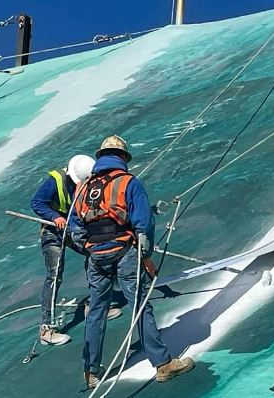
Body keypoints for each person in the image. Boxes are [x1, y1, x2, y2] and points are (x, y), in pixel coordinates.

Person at [70, 135, 195, 388]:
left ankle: (91, 372)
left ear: (101, 157)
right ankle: (163, 365)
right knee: (139, 306)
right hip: (124, 251)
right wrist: (145, 255)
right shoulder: (128, 183)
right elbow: (143, 224)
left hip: (96, 258)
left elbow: (74, 228)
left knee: (96, 311)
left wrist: (91, 248)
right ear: (123, 158)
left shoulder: (84, 188)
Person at [30, 155, 122, 346]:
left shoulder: (90, 179)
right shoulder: (55, 181)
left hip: (74, 228)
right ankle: (46, 329)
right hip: (53, 231)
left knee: (95, 255)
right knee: (55, 275)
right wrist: (54, 217)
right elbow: (37, 202)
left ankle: (94, 306)